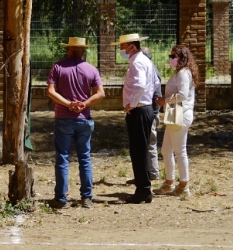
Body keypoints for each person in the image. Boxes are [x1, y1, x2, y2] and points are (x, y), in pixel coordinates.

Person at [46, 37, 105, 209]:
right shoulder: (91, 69)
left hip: (63, 118)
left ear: (68, 50)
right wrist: (84, 104)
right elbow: (100, 93)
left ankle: (60, 199)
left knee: (62, 158)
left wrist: (68, 104)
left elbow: (50, 91)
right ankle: (87, 198)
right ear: (83, 51)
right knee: (84, 158)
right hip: (84, 119)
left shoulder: (58, 67)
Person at [112, 33, 159, 204]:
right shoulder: (145, 61)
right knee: (141, 150)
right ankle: (144, 188)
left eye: (122, 46)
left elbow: (140, 85)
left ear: (132, 46)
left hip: (139, 110)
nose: (121, 49)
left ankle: (143, 190)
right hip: (145, 108)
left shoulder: (138, 62)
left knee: (138, 151)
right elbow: (154, 84)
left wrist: (132, 103)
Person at [154, 45, 198, 197]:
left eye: (174, 57)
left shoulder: (184, 73)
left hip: (180, 113)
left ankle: (184, 185)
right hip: (174, 113)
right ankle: (168, 182)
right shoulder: (180, 72)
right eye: (170, 56)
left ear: (182, 58)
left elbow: (183, 95)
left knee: (180, 151)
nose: (171, 59)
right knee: (166, 150)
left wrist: (164, 100)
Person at [126, 46, 162, 184]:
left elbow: (156, 92)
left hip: (148, 111)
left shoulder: (146, 67)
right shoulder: (148, 67)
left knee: (149, 144)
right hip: (148, 111)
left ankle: (152, 173)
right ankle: (145, 174)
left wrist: (153, 113)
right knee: (144, 145)